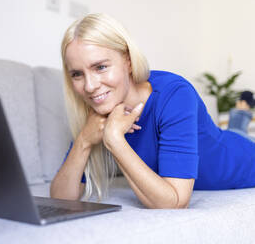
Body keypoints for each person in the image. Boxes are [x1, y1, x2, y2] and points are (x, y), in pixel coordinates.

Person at [49, 13, 255, 209]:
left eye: (100, 67)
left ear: (128, 60)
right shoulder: (99, 104)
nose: (90, 86)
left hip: (242, 161)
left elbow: (175, 202)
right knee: (230, 132)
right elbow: (61, 198)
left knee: (235, 137)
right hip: (215, 142)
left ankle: (241, 116)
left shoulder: (174, 93)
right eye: (77, 74)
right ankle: (240, 118)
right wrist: (84, 140)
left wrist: (114, 139)